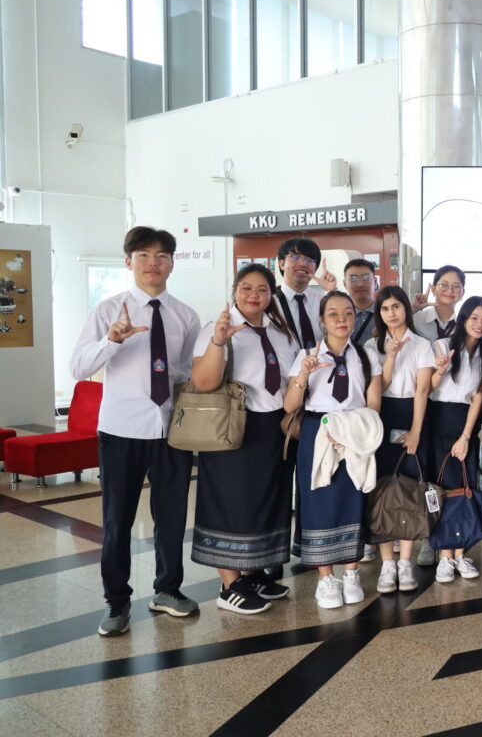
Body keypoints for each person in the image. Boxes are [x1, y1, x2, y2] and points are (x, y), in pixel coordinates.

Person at [69, 226, 201, 637]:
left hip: (170, 430)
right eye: (143, 255)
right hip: (122, 429)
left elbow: (183, 373)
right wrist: (112, 341)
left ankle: (167, 589)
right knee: (117, 520)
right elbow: (78, 367)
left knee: (172, 517)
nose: (152, 263)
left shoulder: (186, 316)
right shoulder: (108, 310)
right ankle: (116, 601)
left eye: (161, 256)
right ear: (128, 262)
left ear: (172, 263)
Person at [190, 264, 299, 613]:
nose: (254, 295)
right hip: (232, 426)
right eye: (246, 288)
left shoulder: (282, 332)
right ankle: (229, 585)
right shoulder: (216, 329)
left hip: (273, 428)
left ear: (271, 294)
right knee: (229, 502)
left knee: (264, 501)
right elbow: (203, 383)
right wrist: (219, 341)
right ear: (235, 290)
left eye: (262, 289)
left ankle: (252, 574)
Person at [284, 291, 382, 609]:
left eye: (348, 313)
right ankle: (325, 578)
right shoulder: (305, 355)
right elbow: (290, 406)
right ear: (322, 320)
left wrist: (352, 432)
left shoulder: (366, 355)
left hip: (354, 431)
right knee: (318, 500)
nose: (342, 319)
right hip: (318, 433)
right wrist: (304, 373)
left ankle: (351, 573)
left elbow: (373, 404)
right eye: (333, 314)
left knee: (354, 500)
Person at [364, 286, 435, 593]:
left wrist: (416, 430)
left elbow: (423, 389)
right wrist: (390, 356)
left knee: (409, 487)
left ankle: (405, 561)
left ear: (406, 308)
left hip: (412, 413)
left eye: (396, 306)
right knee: (382, 488)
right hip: (381, 415)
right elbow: (379, 387)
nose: (391, 313)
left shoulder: (422, 344)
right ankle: (387, 563)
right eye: (385, 308)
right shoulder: (372, 345)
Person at [428, 296, 482, 582]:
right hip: (438, 419)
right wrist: (440, 370)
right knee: (442, 487)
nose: (480, 324)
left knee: (465, 487)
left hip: (466, 423)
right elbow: (427, 387)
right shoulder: (443, 345)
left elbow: (478, 398)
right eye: (474, 318)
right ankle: (445, 557)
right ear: (464, 318)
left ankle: (460, 553)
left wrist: (466, 436)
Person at [274, 237, 336, 350]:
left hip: (320, 360)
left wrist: (331, 291)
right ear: (281, 263)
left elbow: (338, 331)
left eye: (309, 260)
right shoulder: (270, 301)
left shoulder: (322, 300)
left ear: (315, 268)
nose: (302, 264)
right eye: (295, 257)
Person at [413, 265, 466, 341]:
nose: (450, 290)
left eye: (456, 286)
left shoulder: (465, 326)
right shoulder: (416, 319)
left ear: (463, 292)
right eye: (444, 285)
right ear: (433, 289)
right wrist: (413, 309)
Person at [343, 258, 378, 345]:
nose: (360, 284)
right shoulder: (339, 316)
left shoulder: (386, 314)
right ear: (344, 284)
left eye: (365, 278)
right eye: (353, 278)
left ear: (375, 282)